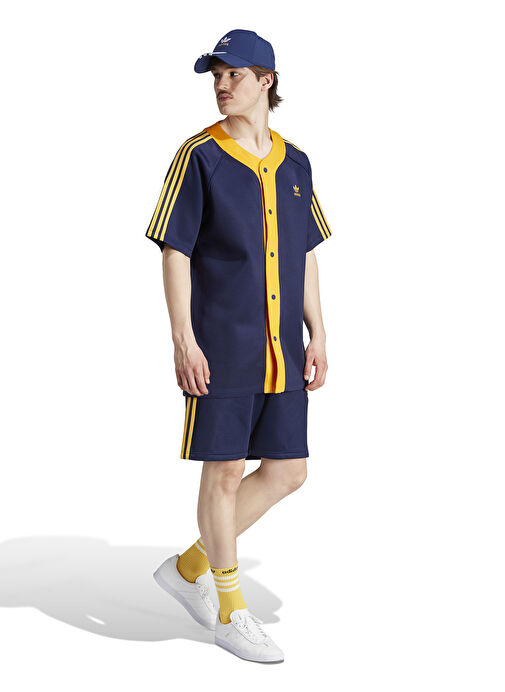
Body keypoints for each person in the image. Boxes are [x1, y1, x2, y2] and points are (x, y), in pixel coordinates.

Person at [146, 29, 332, 663]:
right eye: (216, 76)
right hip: (222, 344)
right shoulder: (199, 156)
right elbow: (175, 250)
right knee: (224, 470)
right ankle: (230, 609)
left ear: (266, 81)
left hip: (283, 347)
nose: (222, 86)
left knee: (289, 471)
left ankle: (189, 567)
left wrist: (318, 330)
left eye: (234, 74)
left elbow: (305, 253)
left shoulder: (296, 163)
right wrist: (183, 338)